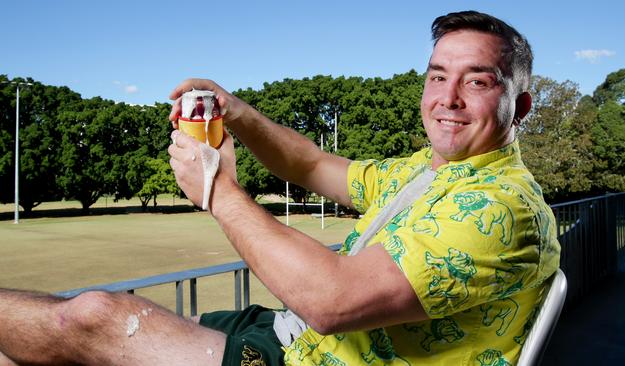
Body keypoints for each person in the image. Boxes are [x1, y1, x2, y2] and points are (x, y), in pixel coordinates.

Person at [0, 10, 560, 366]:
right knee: (55, 336)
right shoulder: (427, 170)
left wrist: (215, 189)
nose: (449, 98)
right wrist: (237, 113)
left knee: (91, 318)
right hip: (289, 336)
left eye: (478, 81)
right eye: (438, 75)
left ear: (521, 106)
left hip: (308, 357)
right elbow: (312, 164)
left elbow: (332, 302)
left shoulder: (501, 206)